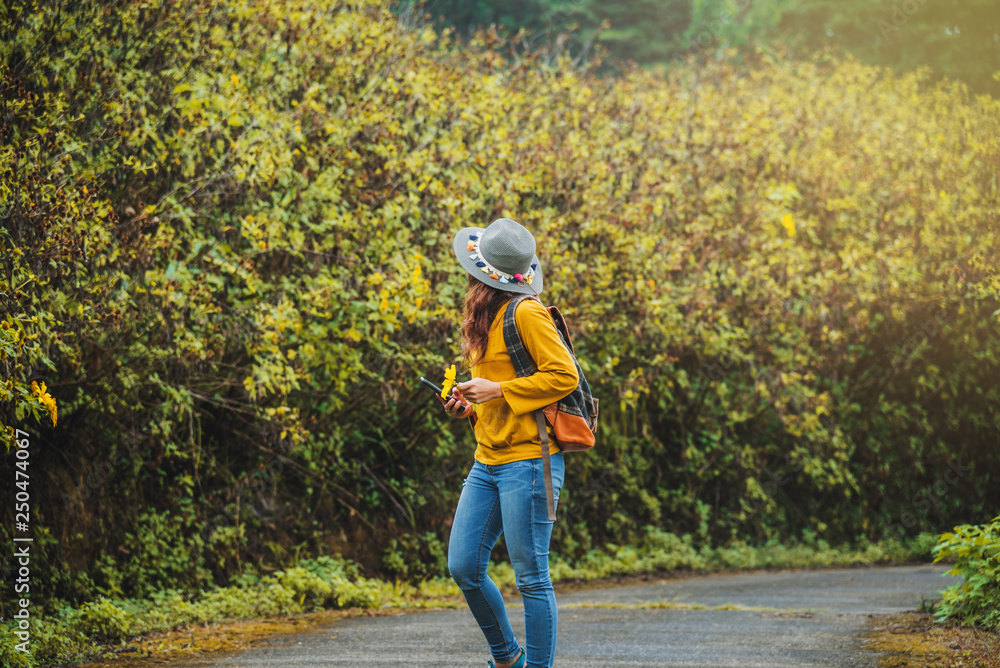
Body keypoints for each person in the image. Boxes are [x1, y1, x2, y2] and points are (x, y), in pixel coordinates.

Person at [440, 217, 579, 668]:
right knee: (463, 565)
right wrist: (470, 406)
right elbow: (500, 385)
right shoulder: (487, 319)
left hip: (529, 462)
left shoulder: (527, 312)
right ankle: (508, 659)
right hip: (488, 460)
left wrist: (497, 391)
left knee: (533, 579)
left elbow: (564, 375)